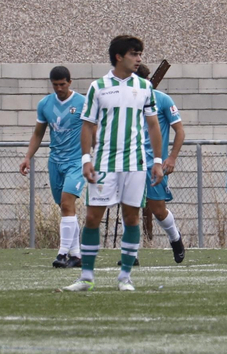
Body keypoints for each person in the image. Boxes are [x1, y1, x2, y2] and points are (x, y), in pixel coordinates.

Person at [62, 36, 164, 293]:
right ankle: (86, 277)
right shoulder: (98, 87)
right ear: (119, 57)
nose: (139, 58)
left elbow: (153, 125)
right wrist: (86, 159)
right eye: (134, 54)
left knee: (131, 217)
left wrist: (158, 161)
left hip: (135, 163)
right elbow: (87, 125)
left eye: (140, 54)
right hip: (104, 163)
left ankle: (125, 277)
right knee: (92, 217)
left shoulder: (145, 86)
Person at [19, 65, 85, 268]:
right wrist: (27, 157)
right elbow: (38, 133)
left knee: (67, 203)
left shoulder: (83, 103)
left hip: (76, 162)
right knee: (65, 208)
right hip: (55, 162)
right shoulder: (45, 104)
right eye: (55, 85)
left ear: (70, 82)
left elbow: (93, 130)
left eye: (62, 84)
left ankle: (62, 254)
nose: (59, 88)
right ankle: (76, 255)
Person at [136, 64, 187, 264]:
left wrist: (172, 157)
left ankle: (175, 238)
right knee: (129, 207)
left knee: (158, 210)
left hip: (154, 165)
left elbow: (180, 131)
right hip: (131, 163)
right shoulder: (125, 102)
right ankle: (130, 254)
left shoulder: (163, 100)